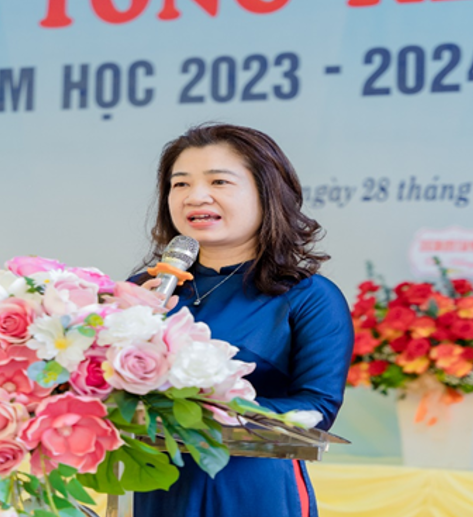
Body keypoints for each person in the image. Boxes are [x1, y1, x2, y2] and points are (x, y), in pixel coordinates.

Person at [132, 123, 354, 517]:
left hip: (252, 487)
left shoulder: (308, 296)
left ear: (267, 194)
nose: (195, 196)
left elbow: (316, 406)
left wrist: (197, 406)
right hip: (157, 483)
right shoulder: (145, 290)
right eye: (180, 184)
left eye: (219, 181)